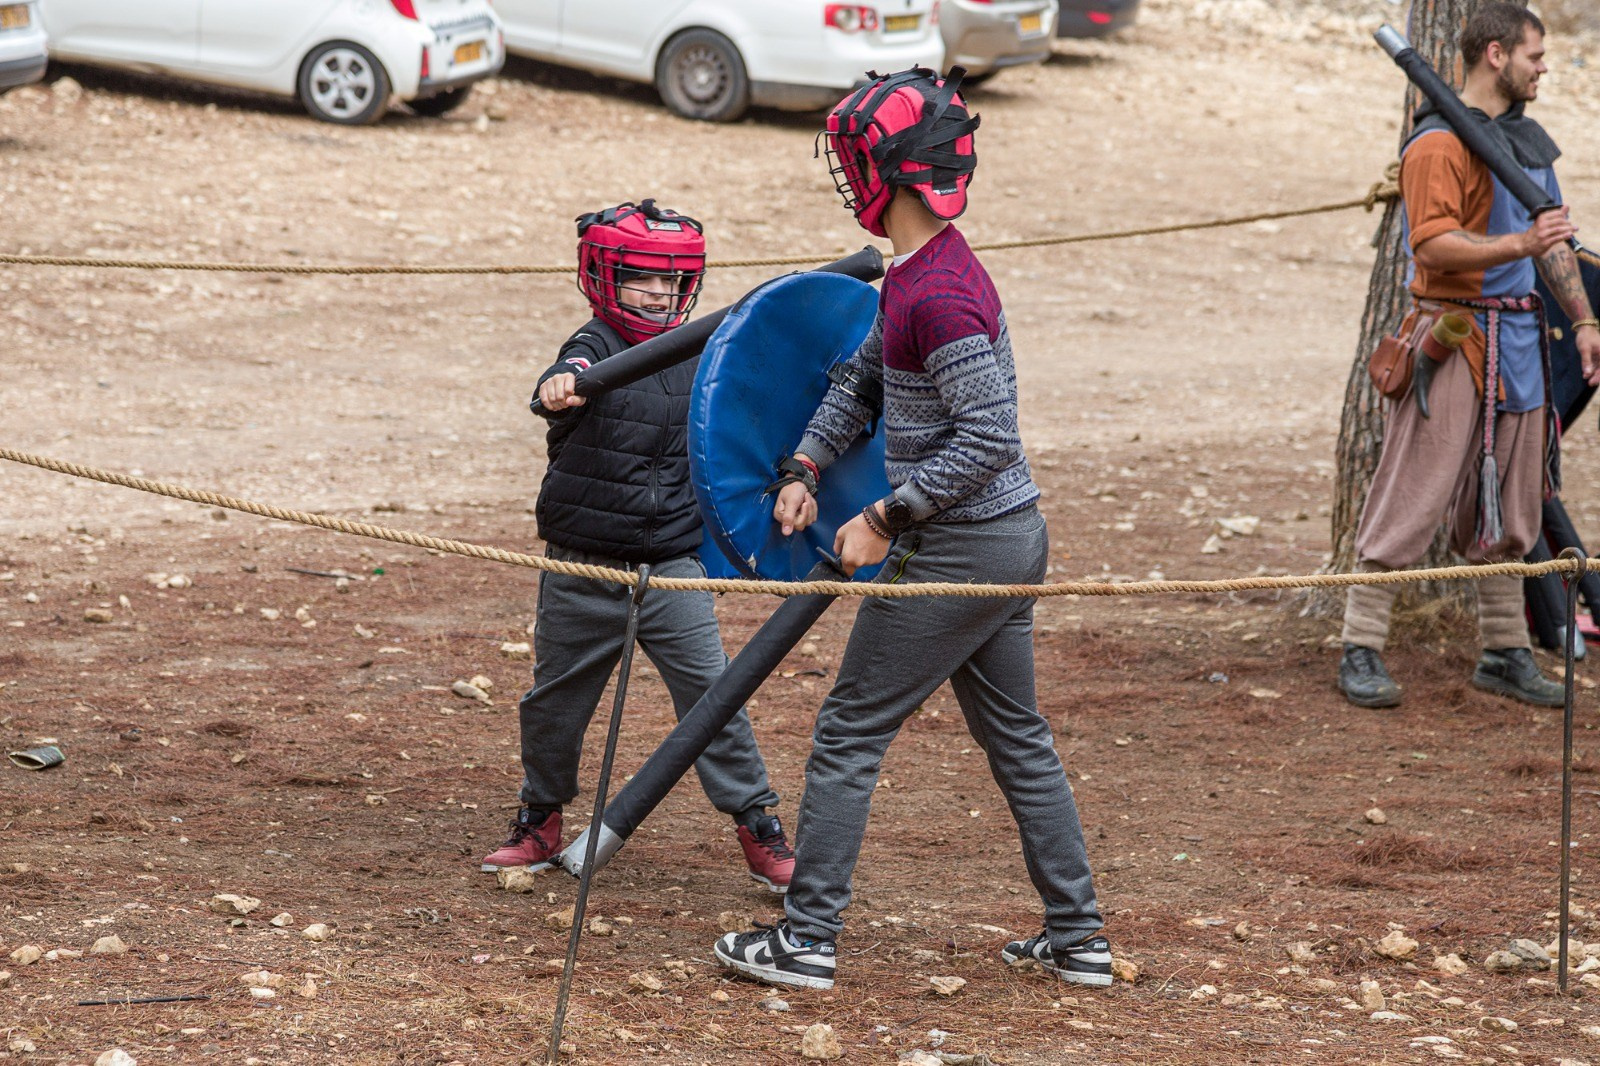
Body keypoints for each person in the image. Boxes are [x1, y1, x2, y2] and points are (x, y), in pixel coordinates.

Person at [711, 68, 1109, 991]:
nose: (845, 173)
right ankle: (1079, 938)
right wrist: (806, 466)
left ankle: (807, 941)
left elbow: (989, 436)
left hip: (965, 550)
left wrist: (886, 517)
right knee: (1018, 740)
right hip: (1004, 539)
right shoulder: (919, 271)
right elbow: (862, 380)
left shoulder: (940, 296)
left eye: (855, 159)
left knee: (848, 730)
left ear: (886, 172)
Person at [479, 200, 795, 893]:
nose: (658, 294)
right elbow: (566, 370)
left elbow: (746, 427)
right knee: (555, 701)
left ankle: (758, 824)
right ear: (604, 277)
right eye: (642, 279)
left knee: (715, 696)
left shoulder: (704, 353)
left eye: (671, 281)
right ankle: (539, 818)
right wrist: (561, 386)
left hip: (673, 567)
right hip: (582, 563)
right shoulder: (594, 346)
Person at [1338, 3, 1600, 709]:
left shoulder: (1528, 141)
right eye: (1535, 56)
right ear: (1495, 54)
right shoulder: (1437, 144)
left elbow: (1554, 243)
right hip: (1453, 338)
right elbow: (1432, 245)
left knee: (1512, 509)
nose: (1544, 69)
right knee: (1410, 493)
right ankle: (1360, 645)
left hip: (1520, 344)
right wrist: (1520, 244)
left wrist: (1582, 319)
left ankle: (1505, 652)